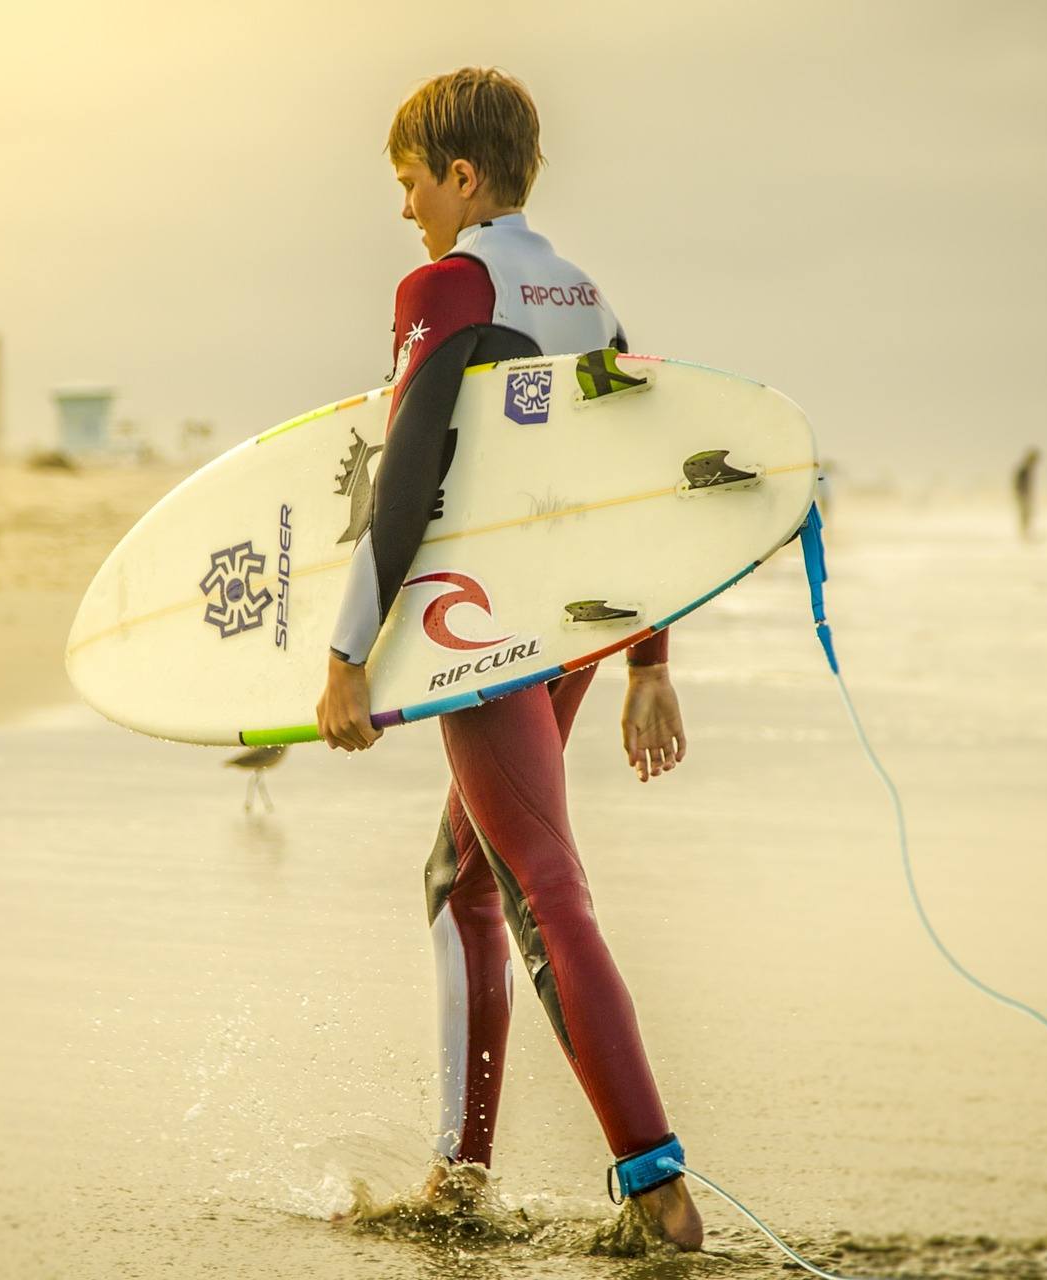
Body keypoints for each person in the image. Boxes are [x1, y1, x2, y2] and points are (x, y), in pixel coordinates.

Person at [315, 68, 701, 1250]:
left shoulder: (450, 283)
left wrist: (346, 654)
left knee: (538, 881)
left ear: (462, 177)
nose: (406, 209)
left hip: (480, 626)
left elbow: (410, 475)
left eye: (412, 182)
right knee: (465, 873)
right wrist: (646, 659)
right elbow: (630, 480)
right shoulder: (586, 297)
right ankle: (461, 1178)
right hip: (570, 627)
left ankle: (657, 1185)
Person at [1013, 447, 1040, 541]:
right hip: (1023, 496)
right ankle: (1024, 534)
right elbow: (1019, 484)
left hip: (1024, 496)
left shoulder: (1026, 470)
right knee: (1025, 515)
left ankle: (1026, 533)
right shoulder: (1024, 470)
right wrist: (1022, 495)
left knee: (1027, 515)